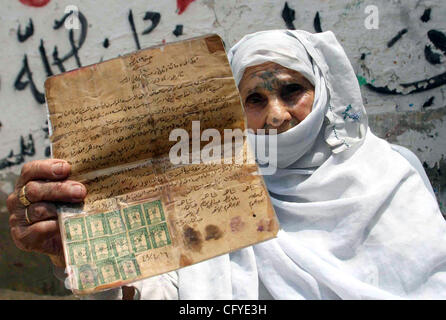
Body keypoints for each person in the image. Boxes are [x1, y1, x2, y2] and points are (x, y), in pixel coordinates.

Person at [7, 29, 446, 300]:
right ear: (235, 111)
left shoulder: (391, 176)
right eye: (255, 99)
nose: (276, 115)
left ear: (325, 91)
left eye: (292, 91)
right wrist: (92, 261)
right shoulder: (216, 191)